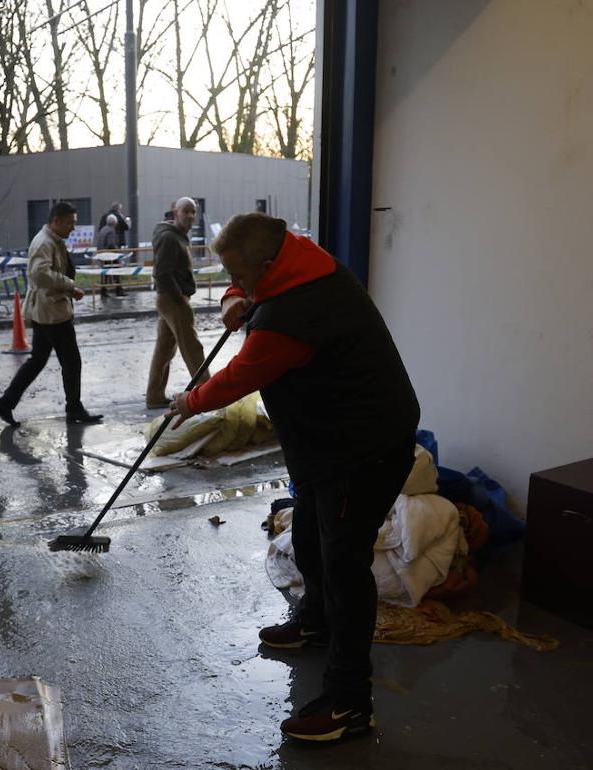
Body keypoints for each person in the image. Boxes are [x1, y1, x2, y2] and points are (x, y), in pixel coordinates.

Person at [166, 212, 420, 743]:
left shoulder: (297, 313)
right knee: (308, 528)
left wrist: (188, 401)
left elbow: (240, 376)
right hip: (323, 445)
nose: (238, 281)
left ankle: (350, 703)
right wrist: (236, 297)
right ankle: (315, 621)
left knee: (345, 566)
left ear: (268, 263)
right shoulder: (299, 261)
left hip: (359, 452)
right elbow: (250, 287)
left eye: (242, 274)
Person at [0, 201, 103, 427]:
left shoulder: (52, 240)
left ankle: (5, 403)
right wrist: (69, 284)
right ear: (57, 221)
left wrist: (69, 289)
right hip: (52, 312)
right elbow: (40, 274)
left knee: (37, 361)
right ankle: (74, 409)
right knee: (72, 362)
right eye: (70, 223)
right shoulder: (44, 242)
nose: (73, 228)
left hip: (48, 309)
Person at [145, 197, 207, 409]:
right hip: (173, 299)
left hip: (170, 297)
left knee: (164, 350)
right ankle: (207, 391)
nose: (190, 216)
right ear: (175, 213)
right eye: (186, 211)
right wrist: (179, 297)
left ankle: (154, 396)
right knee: (192, 346)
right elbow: (162, 272)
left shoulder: (175, 236)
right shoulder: (170, 238)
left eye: (193, 212)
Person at [95, 214, 126, 298]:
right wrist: (118, 251)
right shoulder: (111, 231)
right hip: (109, 255)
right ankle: (119, 290)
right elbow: (111, 244)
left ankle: (103, 291)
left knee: (105, 273)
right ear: (114, 223)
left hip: (101, 254)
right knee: (116, 272)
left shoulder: (103, 229)